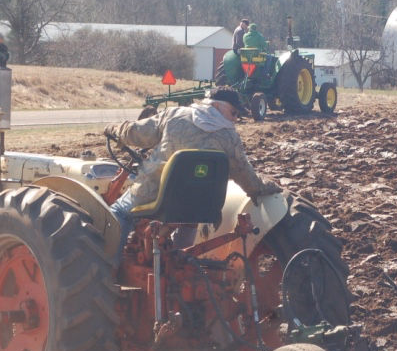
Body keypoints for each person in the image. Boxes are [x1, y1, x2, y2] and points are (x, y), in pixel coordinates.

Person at [105, 88, 279, 243]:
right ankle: (177, 260)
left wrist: (114, 130)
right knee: (190, 217)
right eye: (233, 113)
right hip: (202, 203)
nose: (235, 119)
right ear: (217, 106)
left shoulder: (174, 115)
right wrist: (265, 187)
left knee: (118, 212)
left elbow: (137, 133)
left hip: (155, 195)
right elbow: (245, 175)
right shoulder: (231, 139)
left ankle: (110, 266)